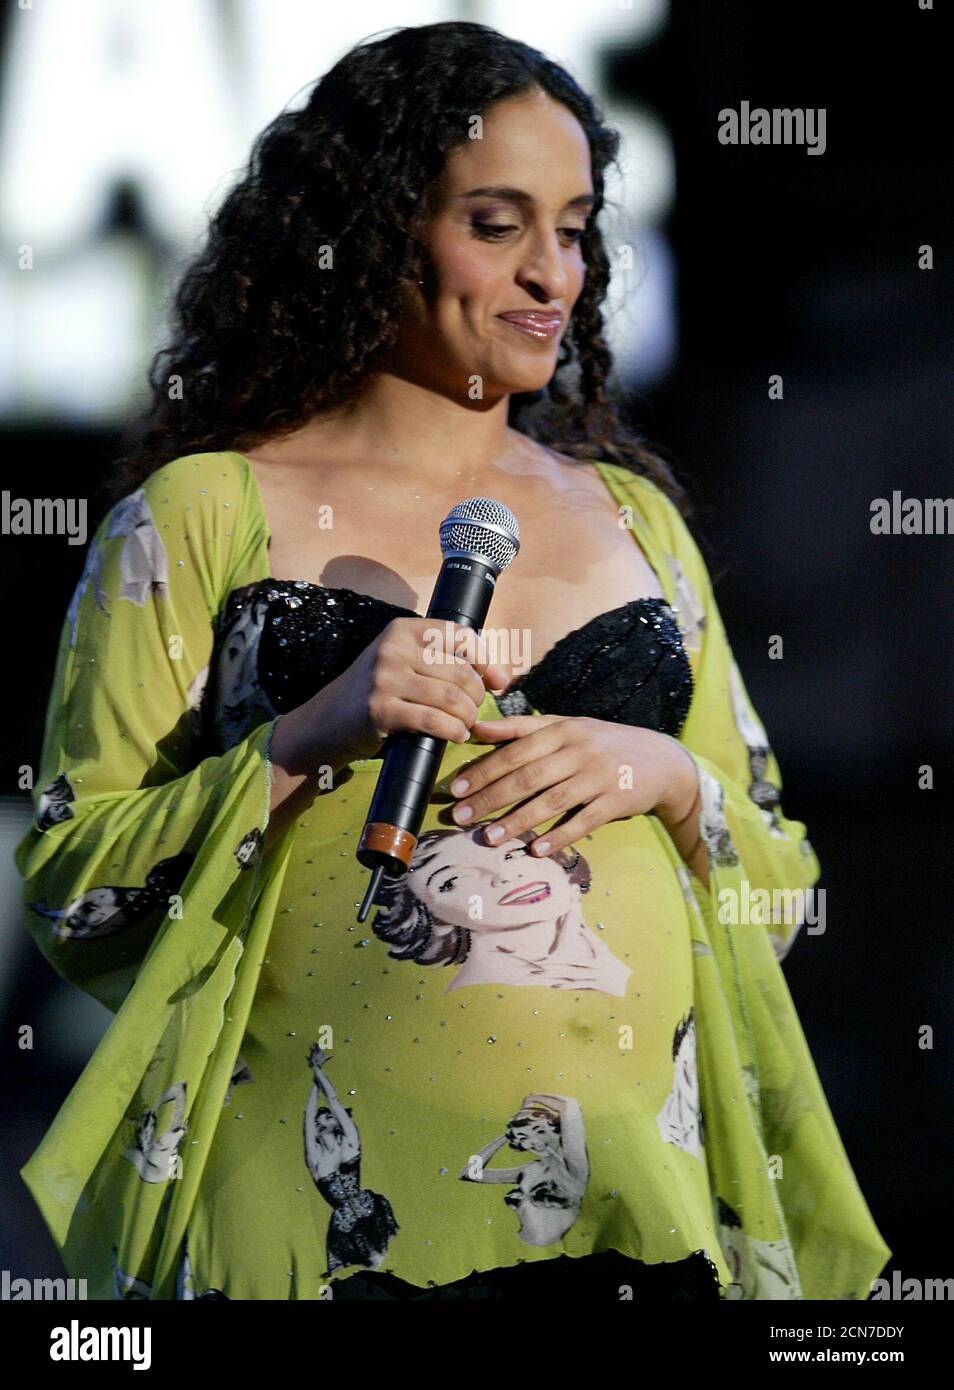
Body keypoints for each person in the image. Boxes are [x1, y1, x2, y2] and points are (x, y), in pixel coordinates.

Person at [15, 20, 890, 1302]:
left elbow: (782, 888)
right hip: (312, 1219)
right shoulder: (202, 512)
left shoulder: (637, 523)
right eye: (497, 224)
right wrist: (306, 735)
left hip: (631, 1214)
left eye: (575, 230)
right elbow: (74, 885)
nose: (553, 273)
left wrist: (664, 776)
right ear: (375, 233)